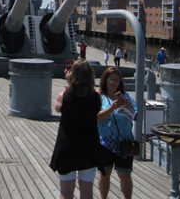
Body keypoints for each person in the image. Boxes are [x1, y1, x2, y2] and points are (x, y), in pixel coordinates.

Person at [50, 59, 103, 199]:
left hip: (67, 147)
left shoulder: (64, 96)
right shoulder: (96, 97)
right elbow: (96, 108)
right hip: (88, 148)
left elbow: (57, 107)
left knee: (66, 193)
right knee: (87, 193)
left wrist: (68, 85)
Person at [97, 67, 137, 199]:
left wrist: (128, 107)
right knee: (104, 173)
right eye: (111, 79)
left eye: (116, 79)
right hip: (105, 142)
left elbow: (135, 117)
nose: (114, 82)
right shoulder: (99, 97)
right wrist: (112, 108)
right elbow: (96, 117)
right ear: (105, 81)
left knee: (125, 174)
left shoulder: (127, 97)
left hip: (124, 142)